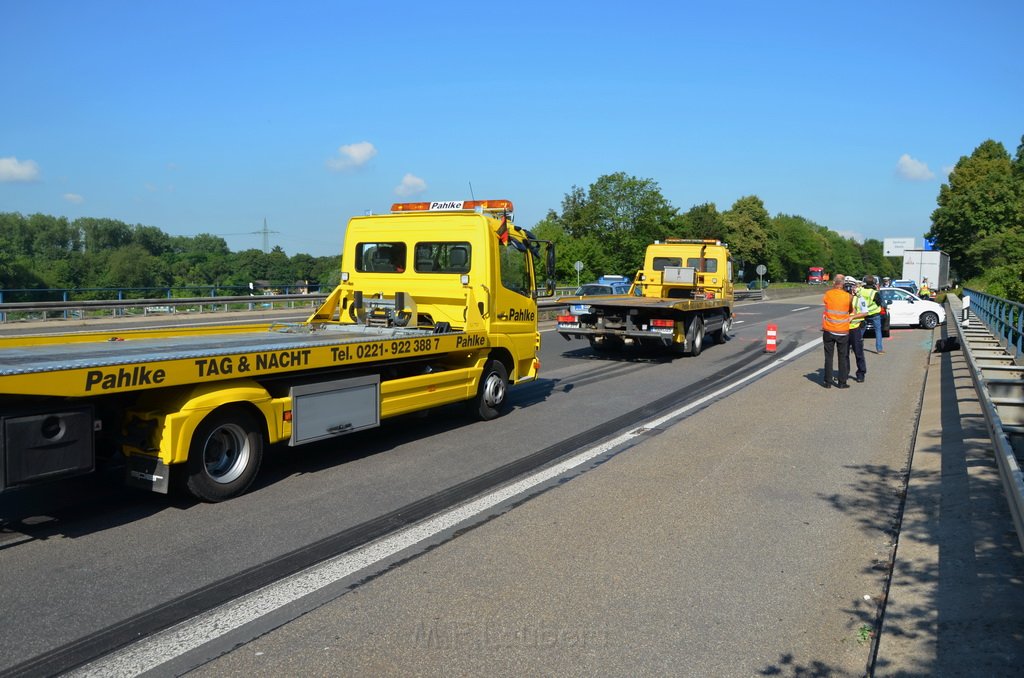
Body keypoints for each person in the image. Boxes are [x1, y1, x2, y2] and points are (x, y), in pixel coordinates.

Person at [822, 274, 852, 389]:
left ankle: (827, 382)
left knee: (828, 357)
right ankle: (842, 382)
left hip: (829, 330)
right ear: (843, 284)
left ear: (834, 283)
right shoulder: (848, 296)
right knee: (842, 357)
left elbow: (825, 302)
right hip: (842, 331)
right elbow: (850, 309)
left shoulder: (828, 294)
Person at [845, 278, 869, 382]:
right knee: (844, 353)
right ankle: (844, 373)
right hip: (844, 329)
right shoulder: (843, 298)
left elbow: (865, 312)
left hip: (855, 328)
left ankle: (861, 373)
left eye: (851, 285)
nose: (849, 288)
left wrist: (853, 317)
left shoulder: (860, 298)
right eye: (847, 285)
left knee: (858, 352)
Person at [860, 275, 886, 354]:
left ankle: (856, 345)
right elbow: (881, 303)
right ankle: (879, 349)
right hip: (874, 314)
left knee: (861, 330)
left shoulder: (860, 290)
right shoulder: (874, 293)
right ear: (874, 283)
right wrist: (878, 292)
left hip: (863, 314)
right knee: (878, 331)